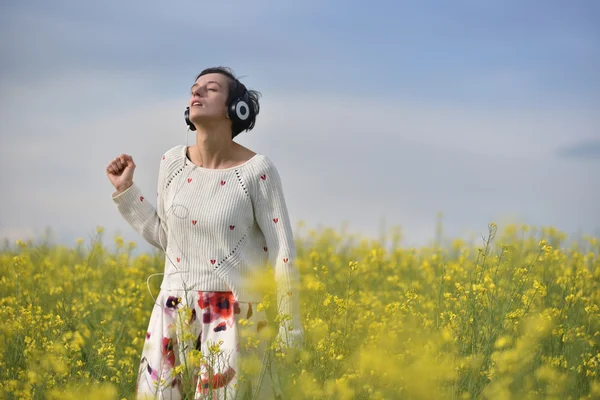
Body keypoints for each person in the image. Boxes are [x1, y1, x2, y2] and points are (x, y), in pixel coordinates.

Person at [105, 66, 303, 399]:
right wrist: (126, 192)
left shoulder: (257, 171)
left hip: (233, 318)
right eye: (194, 88)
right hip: (173, 312)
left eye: (210, 89)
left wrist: (290, 326)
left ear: (236, 109)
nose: (196, 93)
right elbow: (168, 239)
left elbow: (282, 250)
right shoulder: (172, 162)